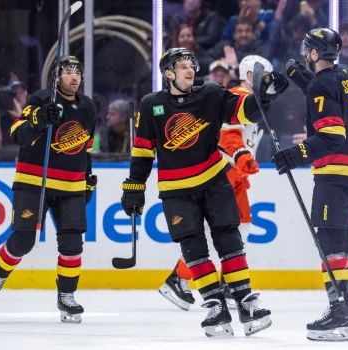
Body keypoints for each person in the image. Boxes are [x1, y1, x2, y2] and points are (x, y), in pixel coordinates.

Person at [121, 47, 288, 337]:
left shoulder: (210, 94)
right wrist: (135, 187)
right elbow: (142, 152)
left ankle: (246, 302)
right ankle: (214, 305)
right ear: (168, 73)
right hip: (176, 191)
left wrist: (264, 97)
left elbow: (243, 111)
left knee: (230, 241)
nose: (189, 69)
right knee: (195, 249)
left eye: (191, 64)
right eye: (181, 65)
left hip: (214, 181)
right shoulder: (151, 105)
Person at [0, 56, 98, 324]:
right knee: (23, 240)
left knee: (72, 244)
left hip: (71, 185)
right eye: (68, 72)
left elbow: (85, 147)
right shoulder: (40, 99)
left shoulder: (88, 107)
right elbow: (17, 133)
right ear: (56, 76)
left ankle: (66, 297)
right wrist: (40, 119)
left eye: (78, 72)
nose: (74, 77)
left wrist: (88, 177)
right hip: (34, 180)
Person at [272, 28, 348, 342]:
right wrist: (301, 78)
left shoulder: (320, 84)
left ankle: (339, 312)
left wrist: (296, 153)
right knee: (345, 245)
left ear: (314, 54)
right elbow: (331, 95)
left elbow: (332, 136)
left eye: (308, 51)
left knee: (330, 247)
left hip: (335, 174)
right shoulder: (346, 73)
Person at [158, 55, 271, 311]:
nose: (268, 82)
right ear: (251, 75)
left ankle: (218, 284)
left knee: (239, 227)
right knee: (225, 230)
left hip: (235, 175)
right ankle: (182, 280)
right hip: (226, 173)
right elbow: (227, 134)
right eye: (264, 76)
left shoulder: (247, 97)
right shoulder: (237, 96)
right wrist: (241, 158)